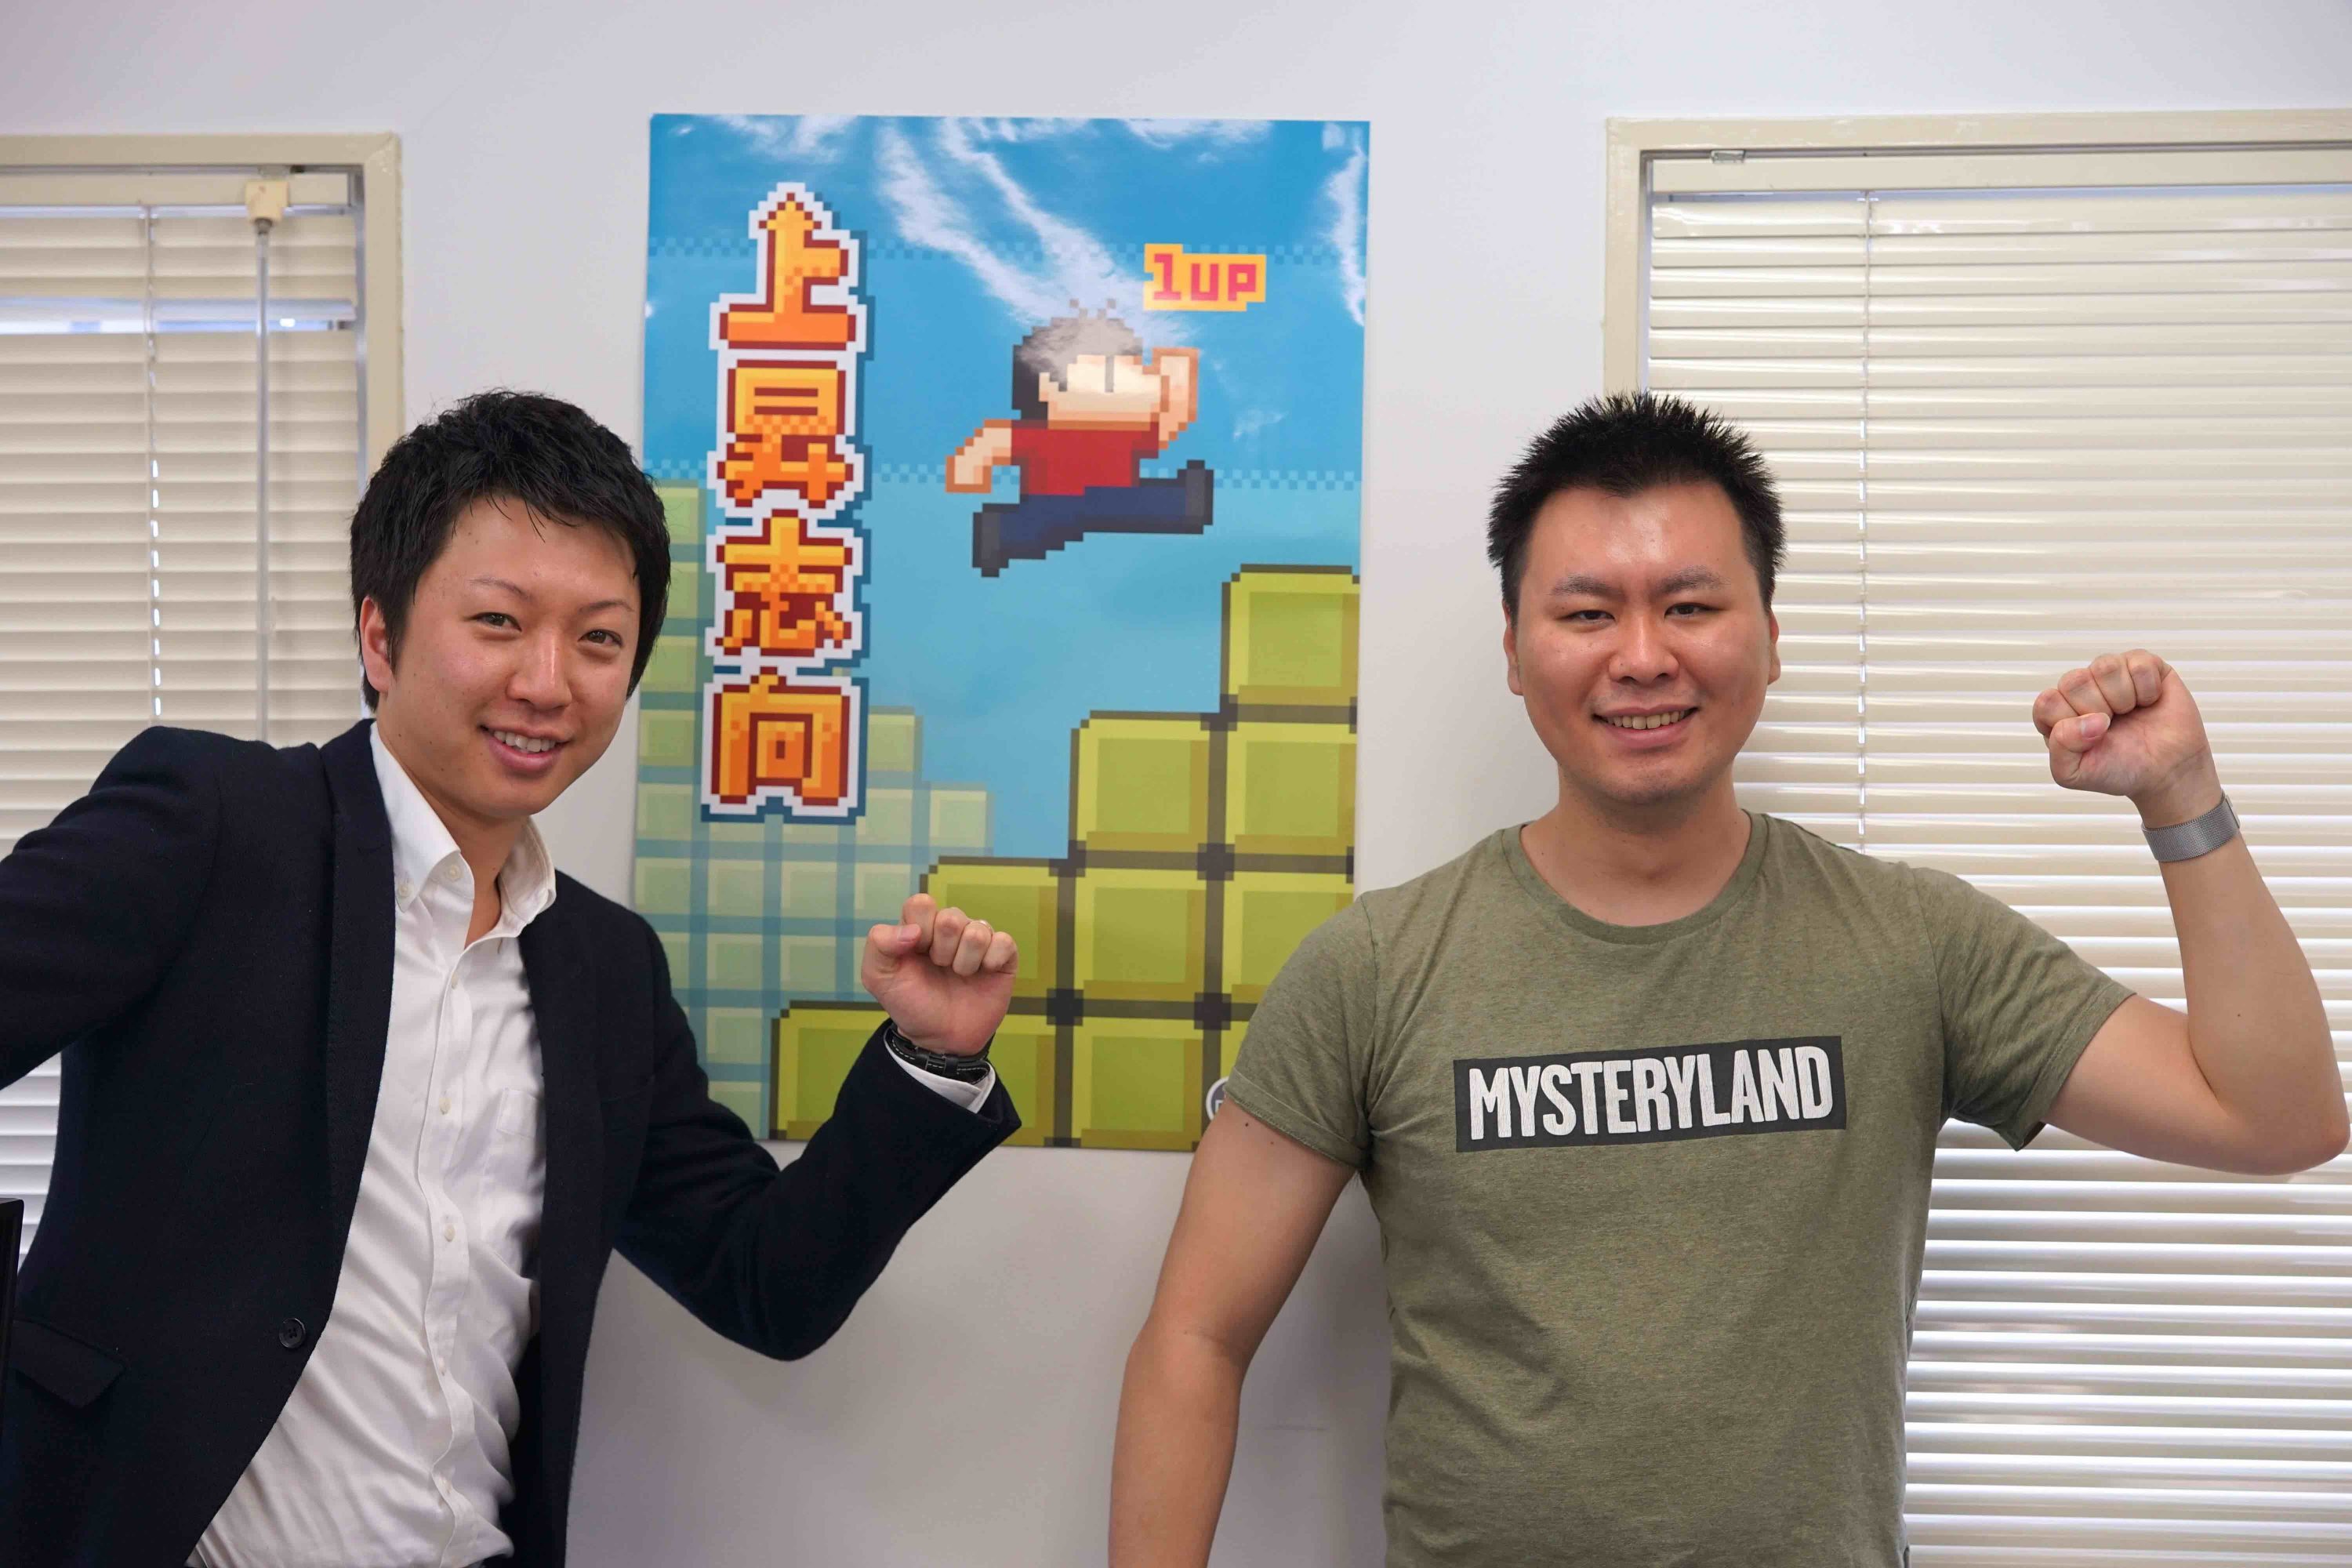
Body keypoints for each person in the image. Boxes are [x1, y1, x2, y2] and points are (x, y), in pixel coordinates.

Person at [1110, 391, 2347, 1566]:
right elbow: (1194, 1338)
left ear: (1770, 636)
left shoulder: (1911, 943)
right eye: (1587, 615)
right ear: (1517, 651)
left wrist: (2180, 796)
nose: (1643, 657)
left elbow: (2276, 1117)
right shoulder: (1375, 969)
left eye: (1691, 605)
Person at [0, 391, 1022, 1567]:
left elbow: (765, 1283)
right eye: (498, 621)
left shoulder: (605, 969)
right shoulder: (219, 827)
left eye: (598, 640)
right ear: (379, 637)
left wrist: (930, 1057)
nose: (548, 682)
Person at [947, 308, 1210, 576]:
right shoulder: (1041, 434)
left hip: (1116, 499)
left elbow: (1172, 418)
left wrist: (1177, 367)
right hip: (1053, 502)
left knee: (1141, 503)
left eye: (1138, 372)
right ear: (1049, 387)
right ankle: (999, 533)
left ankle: (1184, 504)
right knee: (1036, 525)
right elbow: (994, 441)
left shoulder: (1128, 431)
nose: (1143, 386)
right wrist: (970, 469)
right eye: (1111, 380)